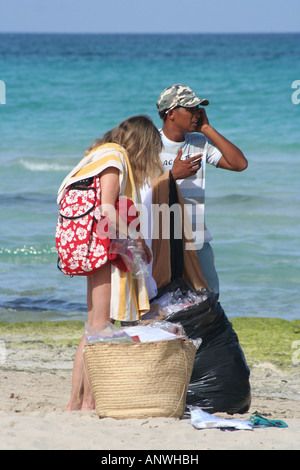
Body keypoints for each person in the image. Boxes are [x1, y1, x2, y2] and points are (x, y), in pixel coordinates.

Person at [57, 115, 163, 411]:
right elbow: (106, 209)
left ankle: (74, 403)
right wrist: (136, 239)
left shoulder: (96, 155)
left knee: (92, 326)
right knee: (101, 326)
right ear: (141, 145)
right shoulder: (114, 159)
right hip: (100, 246)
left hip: (85, 242)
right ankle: (88, 402)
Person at [155, 84, 248, 295]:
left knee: (209, 301)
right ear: (171, 114)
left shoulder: (199, 142)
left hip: (197, 239)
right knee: (161, 304)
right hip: (160, 241)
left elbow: (239, 164)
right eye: (191, 109)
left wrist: (207, 129)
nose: (197, 114)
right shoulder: (150, 144)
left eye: (199, 109)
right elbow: (137, 190)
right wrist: (172, 176)